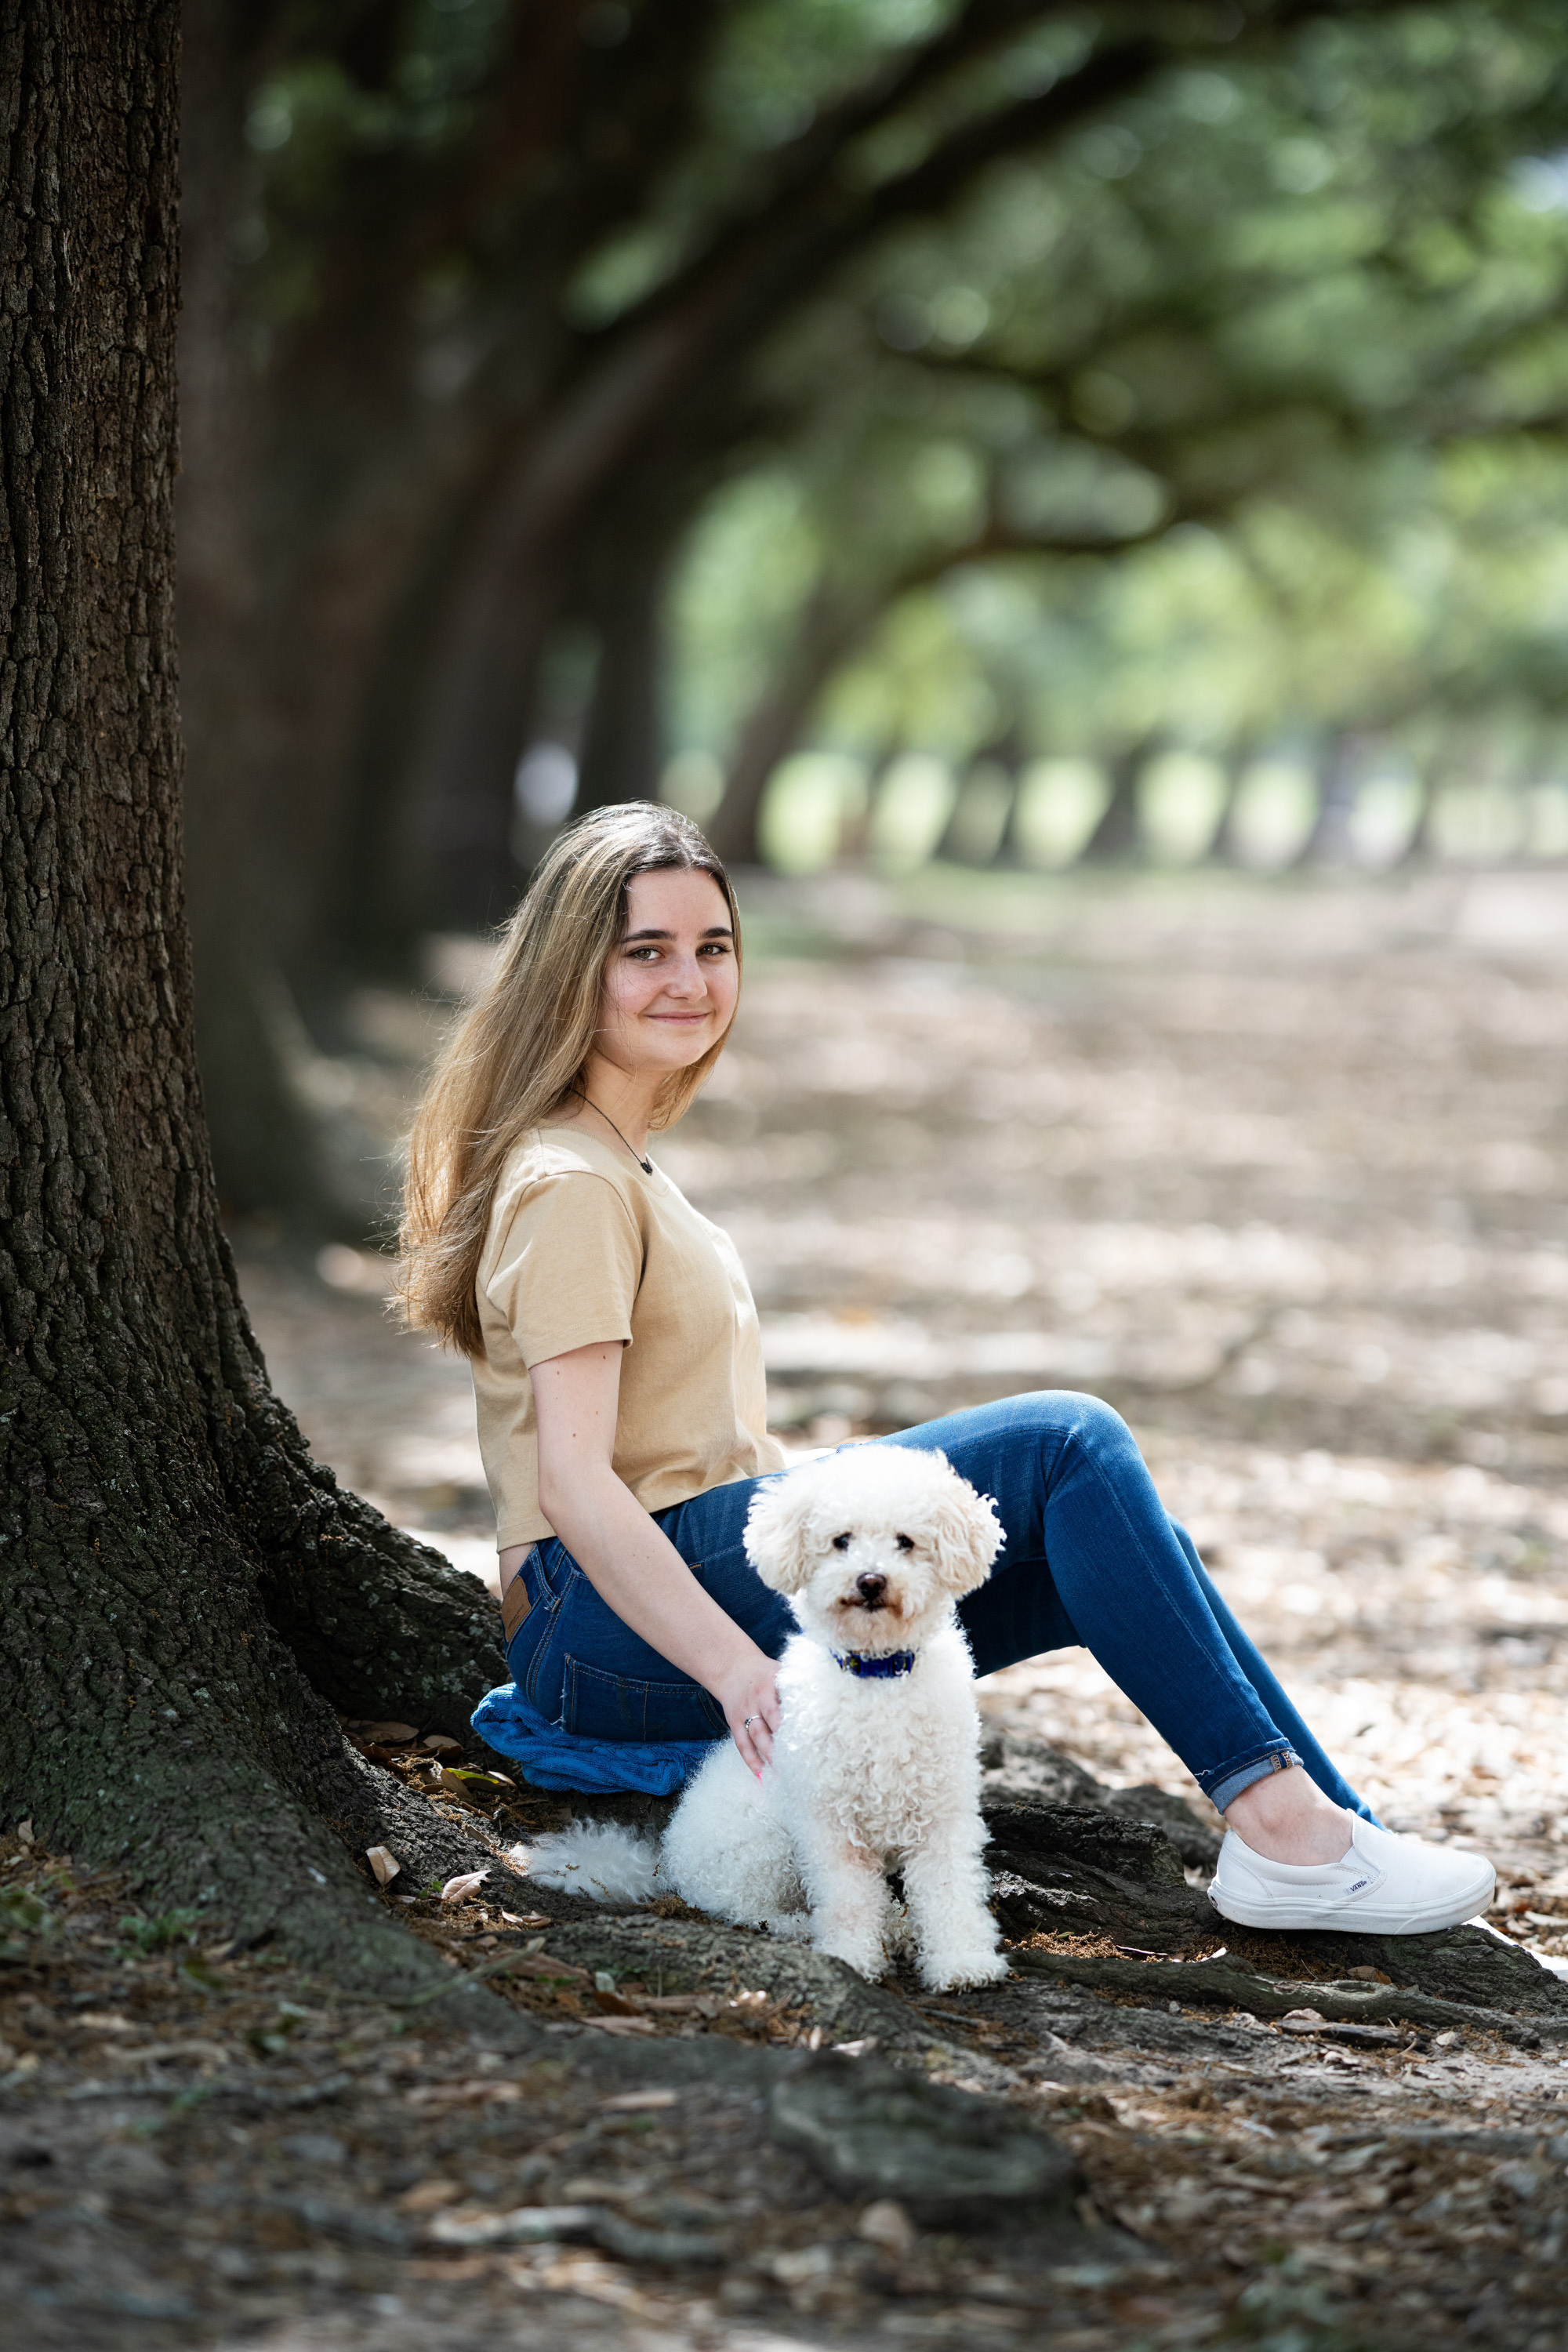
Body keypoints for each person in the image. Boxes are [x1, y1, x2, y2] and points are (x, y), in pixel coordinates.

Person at [398, 803, 1494, 1936]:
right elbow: (576, 1486)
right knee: (1066, 1443)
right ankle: (1295, 1840)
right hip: (598, 1627)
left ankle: (1334, 1836)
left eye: (712, 946)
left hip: (648, 1593)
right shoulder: (573, 1184)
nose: (690, 979)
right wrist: (739, 1672)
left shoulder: (617, 1160)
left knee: (1113, 1549)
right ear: (572, 971)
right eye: (647, 952)